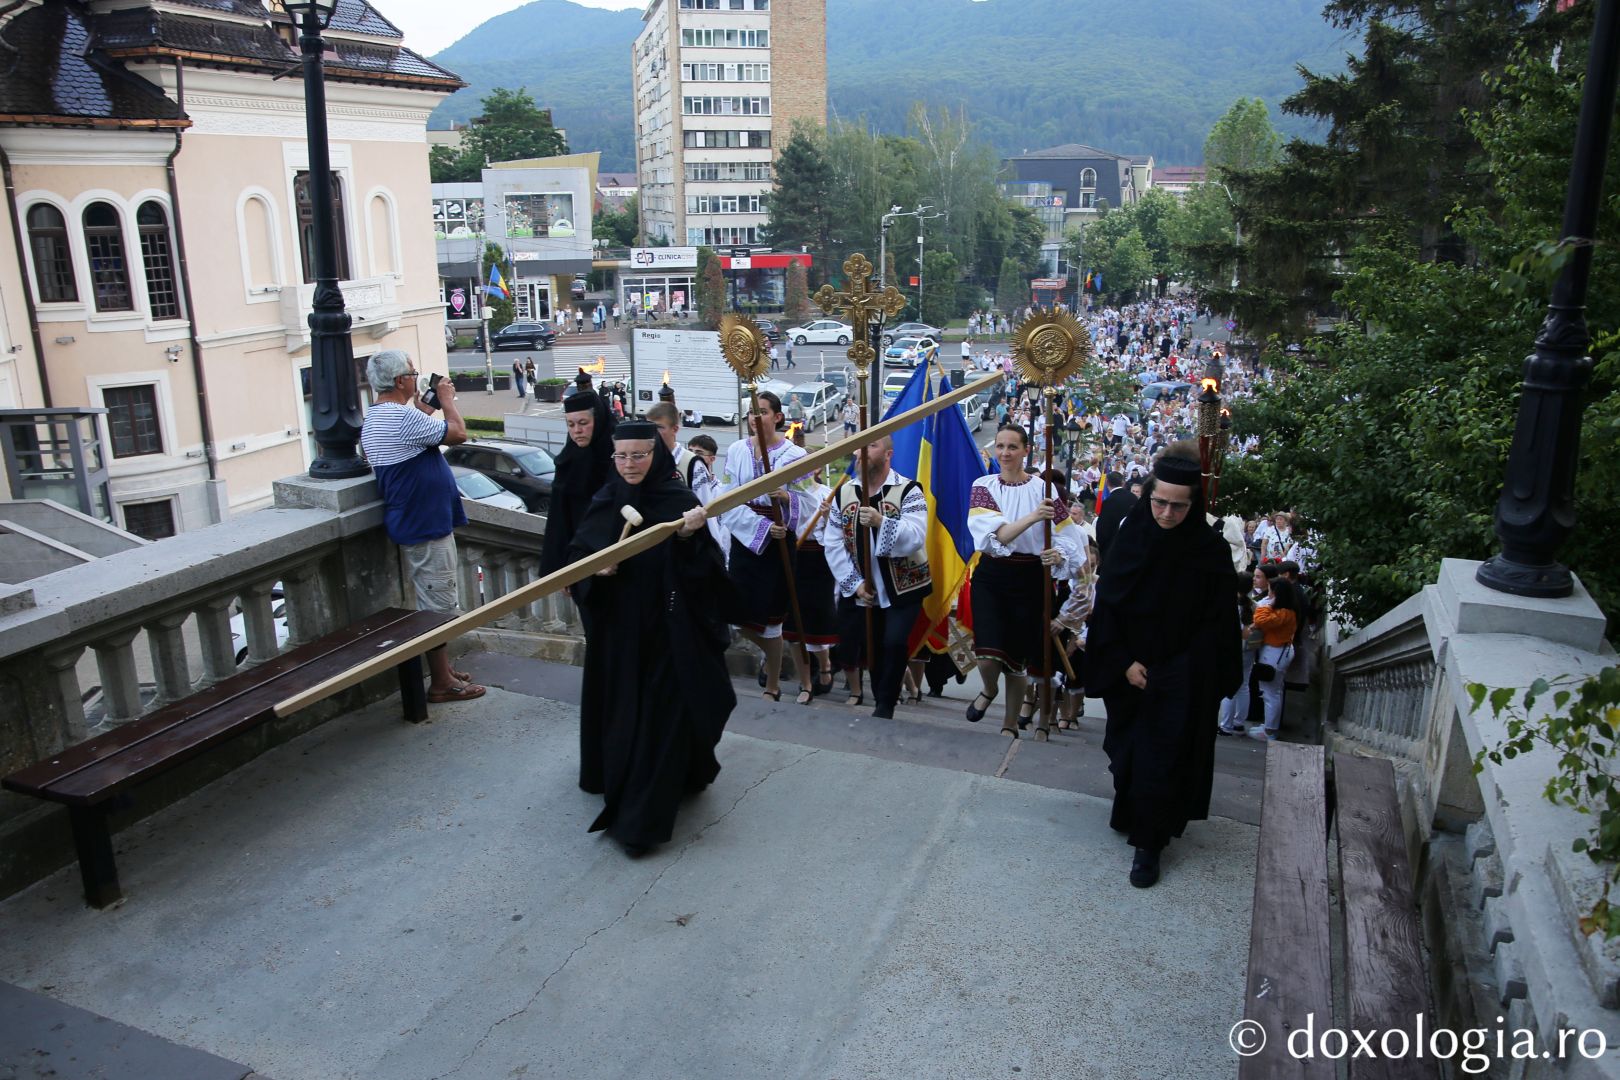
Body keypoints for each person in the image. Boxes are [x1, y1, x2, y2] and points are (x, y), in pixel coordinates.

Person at [567, 421, 738, 856]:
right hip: (620, 636)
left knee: (660, 721)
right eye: (621, 456)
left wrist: (687, 538)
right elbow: (577, 559)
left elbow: (709, 574)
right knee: (625, 715)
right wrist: (594, 570)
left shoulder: (679, 502)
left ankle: (640, 823)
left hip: (668, 633)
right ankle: (624, 781)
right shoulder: (607, 498)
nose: (629, 465)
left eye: (639, 455)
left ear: (656, 454)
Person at [1085, 441, 1242, 888]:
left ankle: (1148, 847)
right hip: (1128, 667)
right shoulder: (1132, 536)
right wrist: (1123, 662)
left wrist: (1183, 670)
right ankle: (1129, 809)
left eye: (1178, 507)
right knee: (1126, 756)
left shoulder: (1208, 552)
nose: (1167, 514)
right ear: (1148, 494)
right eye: (1159, 502)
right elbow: (1110, 606)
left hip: (1182, 674)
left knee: (1162, 760)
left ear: (1193, 507)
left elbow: (1217, 623)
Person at [358, 349, 486, 704]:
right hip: (426, 525)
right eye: (413, 373)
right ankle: (441, 682)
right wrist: (446, 399)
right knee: (439, 605)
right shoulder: (399, 419)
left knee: (434, 599)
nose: (416, 378)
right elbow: (458, 433)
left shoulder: (381, 417)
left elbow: (419, 434)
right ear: (400, 381)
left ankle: (443, 669)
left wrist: (426, 406)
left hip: (417, 521)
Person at [963, 424, 1081, 739]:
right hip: (993, 575)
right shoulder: (983, 486)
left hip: (1030, 578)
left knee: (1016, 660)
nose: (1004, 453)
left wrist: (1058, 555)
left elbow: (1068, 536)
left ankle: (1010, 723)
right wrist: (1032, 517)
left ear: (1025, 450)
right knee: (987, 653)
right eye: (1000, 446)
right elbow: (996, 535)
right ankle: (988, 689)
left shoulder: (1044, 490)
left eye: (1012, 447)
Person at [718, 391, 818, 702]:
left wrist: (787, 500)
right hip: (747, 538)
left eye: (761, 411)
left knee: (776, 618)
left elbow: (811, 499)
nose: (753, 418)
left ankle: (777, 684)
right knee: (738, 614)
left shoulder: (794, 457)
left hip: (779, 543)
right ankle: (772, 667)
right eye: (750, 412)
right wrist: (760, 528)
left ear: (776, 416)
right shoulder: (736, 451)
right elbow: (726, 495)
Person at [827, 436, 930, 719]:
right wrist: (854, 583)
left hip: (904, 584)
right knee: (870, 643)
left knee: (894, 641)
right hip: (864, 584)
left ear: (888, 455)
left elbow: (916, 536)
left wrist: (881, 522)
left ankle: (886, 702)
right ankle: (880, 696)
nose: (861, 453)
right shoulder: (844, 492)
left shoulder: (908, 490)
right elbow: (833, 542)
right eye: (860, 447)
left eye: (871, 446)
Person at [539, 388, 616, 577]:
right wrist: (561, 569)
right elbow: (558, 518)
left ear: (598, 421)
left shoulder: (620, 458)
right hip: (579, 560)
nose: (577, 431)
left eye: (583, 423)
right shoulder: (567, 461)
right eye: (571, 425)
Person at [1247, 572, 1299, 741]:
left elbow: (1260, 620)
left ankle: (1269, 731)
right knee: (1275, 691)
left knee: (1270, 692)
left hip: (1274, 652)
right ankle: (1270, 727)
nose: (1268, 594)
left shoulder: (1282, 612)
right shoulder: (1288, 611)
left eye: (1270, 590)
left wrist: (1266, 605)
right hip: (1279, 651)